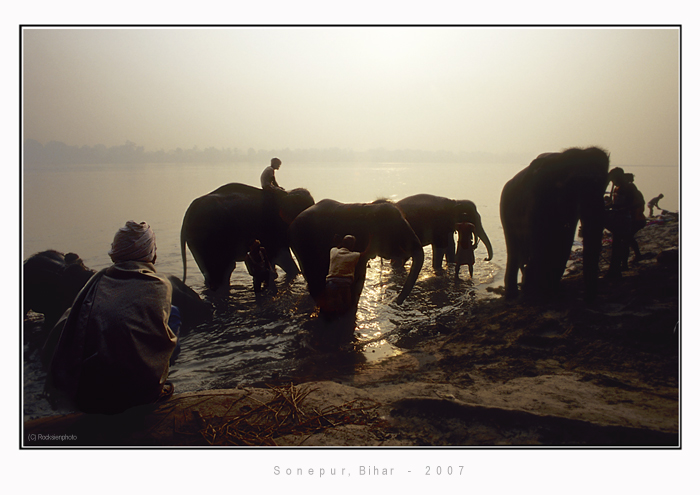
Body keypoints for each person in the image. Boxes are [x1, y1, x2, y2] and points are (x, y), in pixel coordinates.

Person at [46, 221, 178, 414]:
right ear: (150, 252)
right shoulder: (159, 285)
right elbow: (158, 338)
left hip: (90, 397)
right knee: (174, 316)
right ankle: (158, 384)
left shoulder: (97, 282)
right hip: (138, 396)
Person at [606, 168, 646, 276]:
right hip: (618, 218)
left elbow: (640, 202)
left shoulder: (629, 188)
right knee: (620, 242)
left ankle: (621, 266)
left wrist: (622, 208)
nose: (613, 183)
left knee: (623, 242)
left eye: (613, 180)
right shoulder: (617, 188)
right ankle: (618, 267)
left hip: (629, 219)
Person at [320, 235, 369, 315]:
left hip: (331, 282)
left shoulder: (333, 251)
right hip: (345, 284)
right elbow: (366, 253)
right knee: (346, 308)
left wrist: (338, 241)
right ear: (352, 246)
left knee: (330, 307)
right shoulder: (354, 255)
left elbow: (336, 247)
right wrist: (370, 239)